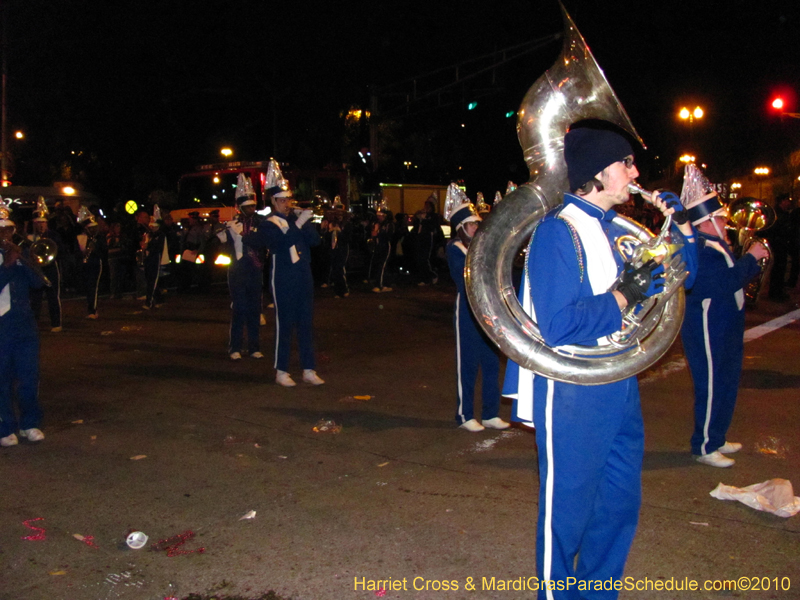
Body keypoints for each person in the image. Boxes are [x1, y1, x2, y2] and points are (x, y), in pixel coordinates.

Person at [502, 125, 697, 599]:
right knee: (566, 515)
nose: (635, 172)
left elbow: (685, 278)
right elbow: (560, 325)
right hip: (572, 389)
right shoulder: (557, 232)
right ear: (598, 171)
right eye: (626, 162)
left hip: (618, 382)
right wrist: (624, 296)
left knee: (617, 507)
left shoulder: (610, 230)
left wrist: (682, 225)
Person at [679, 164, 768, 468]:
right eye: (718, 217)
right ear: (704, 222)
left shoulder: (717, 243)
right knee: (712, 384)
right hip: (707, 327)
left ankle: (716, 435)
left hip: (725, 324)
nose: (725, 221)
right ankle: (703, 445)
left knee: (727, 382)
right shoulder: (702, 250)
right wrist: (751, 260)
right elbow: (721, 285)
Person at [244, 160, 324, 387]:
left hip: (303, 276)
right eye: (281, 200)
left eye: (287, 199)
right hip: (283, 278)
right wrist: (298, 223)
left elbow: (314, 241)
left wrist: (306, 222)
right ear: (273, 201)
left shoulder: (293, 219)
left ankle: (308, 368)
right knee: (285, 324)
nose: (286, 204)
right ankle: (281, 371)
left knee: (306, 323)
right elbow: (281, 243)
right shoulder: (269, 224)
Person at [444, 184, 509, 432]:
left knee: (491, 363)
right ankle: (465, 414)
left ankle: (491, 413)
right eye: (471, 225)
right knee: (468, 363)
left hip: (488, 310)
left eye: (476, 224)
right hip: (468, 310)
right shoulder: (455, 249)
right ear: (461, 228)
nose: (475, 228)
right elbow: (466, 280)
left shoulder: (478, 248)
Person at [0, 199, 46, 447]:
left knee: (29, 377)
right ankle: (5, 427)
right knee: (2, 379)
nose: (5, 234)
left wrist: (23, 261)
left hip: (25, 325)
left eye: (8, 230)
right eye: (1, 230)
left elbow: (39, 283)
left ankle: (30, 423)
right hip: (1, 327)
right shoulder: (6, 259)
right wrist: (7, 266)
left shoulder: (20, 253)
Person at [219, 174, 265, 360]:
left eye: (253, 206)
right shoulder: (232, 225)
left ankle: (254, 347)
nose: (251, 210)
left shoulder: (261, 223)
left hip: (255, 269)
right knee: (239, 309)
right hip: (238, 270)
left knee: (255, 309)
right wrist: (223, 234)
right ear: (240, 208)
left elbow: (262, 242)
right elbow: (223, 246)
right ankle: (234, 347)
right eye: (248, 207)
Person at [28, 197, 63, 331]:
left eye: (43, 223)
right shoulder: (30, 237)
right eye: (38, 223)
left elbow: (59, 250)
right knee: (35, 298)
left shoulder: (53, 235)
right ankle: (34, 323)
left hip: (50, 268)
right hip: (36, 269)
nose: (40, 225)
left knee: (53, 296)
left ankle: (56, 323)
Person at [77, 206, 105, 319]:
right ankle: (91, 308)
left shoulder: (99, 238)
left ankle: (92, 310)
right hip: (85, 265)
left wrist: (95, 249)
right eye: (91, 228)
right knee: (87, 287)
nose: (93, 230)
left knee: (93, 286)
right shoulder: (81, 237)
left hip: (95, 263)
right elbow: (76, 252)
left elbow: (103, 251)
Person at [141, 206, 169, 310]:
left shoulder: (160, 235)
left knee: (153, 281)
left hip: (156, 260)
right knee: (150, 281)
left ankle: (150, 301)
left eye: (154, 227)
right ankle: (157, 299)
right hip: (149, 259)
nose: (152, 228)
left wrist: (148, 245)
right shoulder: (149, 234)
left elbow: (157, 248)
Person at [412, 195, 443, 285]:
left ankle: (432, 275)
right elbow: (415, 224)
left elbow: (433, 226)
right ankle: (423, 278)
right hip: (420, 237)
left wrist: (424, 219)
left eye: (428, 205)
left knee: (425, 258)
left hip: (428, 238)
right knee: (419, 258)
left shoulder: (433, 216)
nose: (426, 207)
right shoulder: (422, 214)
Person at [367, 201, 394, 293]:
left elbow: (388, 236)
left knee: (381, 265)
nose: (378, 217)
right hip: (378, 246)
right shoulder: (377, 224)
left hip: (385, 246)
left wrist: (377, 234)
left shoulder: (389, 224)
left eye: (380, 215)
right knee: (381, 265)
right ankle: (387, 284)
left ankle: (379, 285)